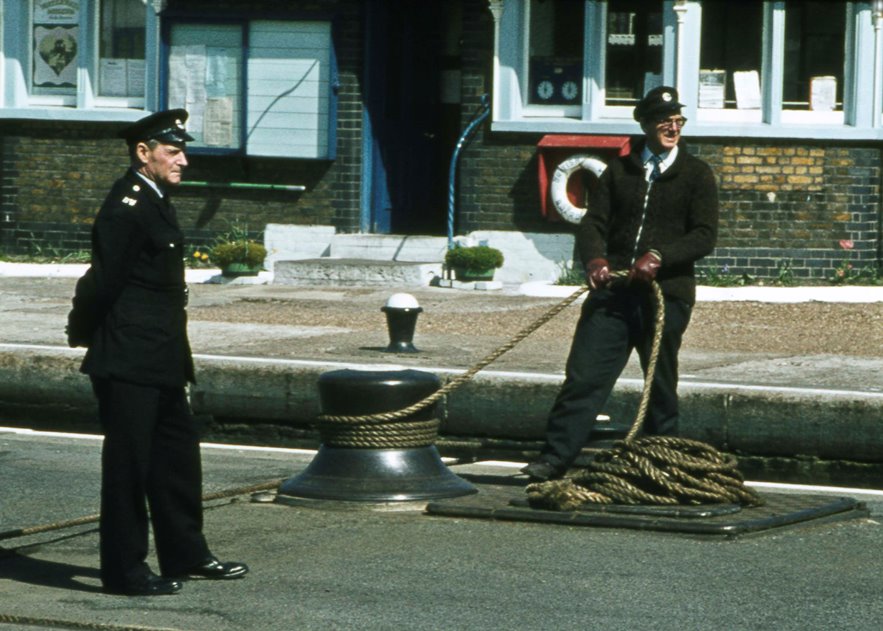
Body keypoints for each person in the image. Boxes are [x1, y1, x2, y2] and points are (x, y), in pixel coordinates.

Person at [67, 109, 248, 596]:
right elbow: (103, 281)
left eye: (183, 151)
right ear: (143, 153)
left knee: (176, 456)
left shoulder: (155, 198)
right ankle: (124, 571)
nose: (183, 160)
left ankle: (185, 553)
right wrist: (84, 332)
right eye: (173, 151)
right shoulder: (126, 205)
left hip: (162, 352)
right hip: (129, 355)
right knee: (129, 464)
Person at [522, 86, 719, 482]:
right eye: (664, 121)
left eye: (677, 120)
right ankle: (555, 458)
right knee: (584, 377)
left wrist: (659, 256)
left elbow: (703, 235)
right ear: (645, 124)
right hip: (613, 294)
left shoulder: (696, 174)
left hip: (665, 295)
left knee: (659, 382)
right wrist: (595, 260)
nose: (672, 127)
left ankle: (663, 463)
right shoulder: (620, 171)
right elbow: (593, 223)